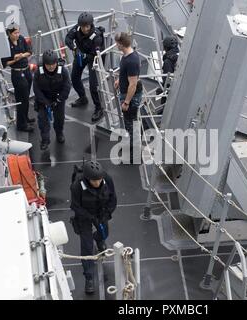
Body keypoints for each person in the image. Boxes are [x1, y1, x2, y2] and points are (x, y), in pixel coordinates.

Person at [70, 160, 117, 294]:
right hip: (84, 216)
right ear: (87, 178)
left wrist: (106, 214)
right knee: (87, 246)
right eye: (94, 180)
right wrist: (90, 218)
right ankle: (89, 277)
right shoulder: (77, 186)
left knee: (104, 234)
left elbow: (113, 199)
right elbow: (75, 206)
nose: (97, 183)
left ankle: (99, 239)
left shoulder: (107, 179)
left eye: (99, 179)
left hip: (101, 212)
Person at [65, 12, 105, 122]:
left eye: (87, 26)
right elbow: (68, 39)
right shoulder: (77, 29)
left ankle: (99, 108)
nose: (84, 29)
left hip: (93, 58)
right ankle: (82, 97)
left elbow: (95, 54)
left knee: (93, 86)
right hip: (80, 55)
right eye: (82, 26)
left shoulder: (96, 37)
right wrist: (74, 48)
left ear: (91, 25)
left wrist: (84, 55)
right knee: (74, 77)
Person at [33, 50, 71, 150]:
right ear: (44, 64)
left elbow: (67, 87)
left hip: (58, 99)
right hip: (43, 100)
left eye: (53, 64)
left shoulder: (63, 71)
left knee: (59, 119)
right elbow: (36, 89)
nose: (51, 67)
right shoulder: (38, 73)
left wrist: (58, 100)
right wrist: (45, 103)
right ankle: (45, 140)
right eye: (48, 65)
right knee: (42, 120)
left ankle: (59, 134)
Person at [114, 32, 143, 164]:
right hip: (126, 93)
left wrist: (126, 102)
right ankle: (131, 147)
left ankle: (135, 154)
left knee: (131, 124)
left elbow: (133, 84)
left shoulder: (131, 60)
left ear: (121, 44)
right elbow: (125, 73)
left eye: (117, 43)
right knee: (129, 123)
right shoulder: (127, 56)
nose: (116, 45)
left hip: (130, 96)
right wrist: (119, 80)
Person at [1, 22, 34, 132]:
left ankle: (25, 118)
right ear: (9, 34)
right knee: (22, 99)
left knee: (26, 96)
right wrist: (14, 60)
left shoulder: (21, 39)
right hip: (17, 73)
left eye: (18, 32)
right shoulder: (6, 45)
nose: (17, 34)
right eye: (15, 33)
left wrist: (21, 56)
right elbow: (4, 63)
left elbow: (29, 51)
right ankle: (21, 125)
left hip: (26, 70)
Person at [157, 35, 179, 112]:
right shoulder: (179, 56)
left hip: (172, 92)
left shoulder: (168, 61)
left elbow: (167, 82)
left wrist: (160, 90)